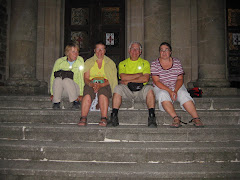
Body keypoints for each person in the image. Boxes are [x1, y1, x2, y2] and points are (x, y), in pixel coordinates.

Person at [151, 42, 204, 128]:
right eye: (161, 50)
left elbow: (180, 79)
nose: (164, 52)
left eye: (166, 50)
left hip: (176, 85)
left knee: (184, 94)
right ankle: (175, 118)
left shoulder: (177, 62)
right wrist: (169, 91)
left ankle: (196, 118)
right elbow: (156, 81)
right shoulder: (154, 64)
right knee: (162, 94)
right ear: (159, 52)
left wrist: (175, 90)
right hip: (161, 87)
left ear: (170, 52)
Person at [108, 41, 157, 128]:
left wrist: (128, 80)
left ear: (140, 51)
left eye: (137, 49)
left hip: (141, 90)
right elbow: (123, 77)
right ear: (129, 51)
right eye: (132, 49)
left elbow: (145, 78)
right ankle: (114, 116)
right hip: (127, 90)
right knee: (118, 88)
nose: (135, 51)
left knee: (149, 88)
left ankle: (152, 117)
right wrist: (139, 74)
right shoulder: (123, 63)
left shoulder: (145, 63)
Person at [78, 41, 118, 127]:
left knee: (103, 94)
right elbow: (86, 78)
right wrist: (92, 84)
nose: (100, 52)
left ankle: (104, 118)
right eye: (98, 49)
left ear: (105, 51)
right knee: (88, 95)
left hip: (105, 84)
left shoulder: (110, 63)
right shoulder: (88, 62)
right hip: (91, 83)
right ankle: (83, 117)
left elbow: (112, 79)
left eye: (102, 49)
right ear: (94, 50)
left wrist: (101, 85)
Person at [50, 42, 84, 109]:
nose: (76, 54)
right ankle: (56, 102)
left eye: (77, 51)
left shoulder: (80, 61)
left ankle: (75, 101)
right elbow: (52, 77)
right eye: (73, 52)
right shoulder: (59, 62)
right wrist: (52, 93)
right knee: (57, 79)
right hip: (63, 90)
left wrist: (81, 93)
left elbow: (81, 77)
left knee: (66, 80)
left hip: (75, 88)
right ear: (67, 53)